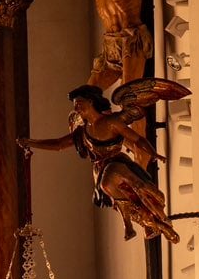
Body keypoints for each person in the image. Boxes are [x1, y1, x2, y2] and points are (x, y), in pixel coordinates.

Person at [19, 81, 188, 243]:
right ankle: (156, 225)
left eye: (79, 103)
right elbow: (58, 144)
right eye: (75, 105)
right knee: (126, 200)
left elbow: (137, 140)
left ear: (91, 102)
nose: (76, 108)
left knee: (120, 182)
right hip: (100, 170)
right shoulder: (82, 132)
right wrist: (31, 142)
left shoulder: (111, 122)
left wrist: (153, 153)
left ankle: (149, 217)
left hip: (118, 164)